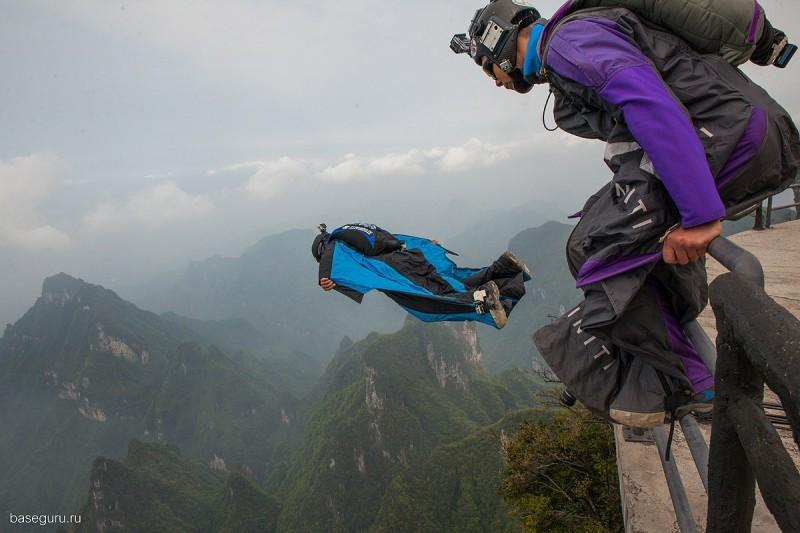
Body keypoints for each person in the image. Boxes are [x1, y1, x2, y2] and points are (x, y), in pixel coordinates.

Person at [451, 0, 800, 425]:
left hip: (731, 135)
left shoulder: (569, 42)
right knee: (598, 231)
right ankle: (685, 371)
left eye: (489, 68)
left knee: (595, 245)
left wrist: (699, 215)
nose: (495, 81)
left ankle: (686, 381)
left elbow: (649, 104)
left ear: (500, 42)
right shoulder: (569, 57)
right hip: (740, 130)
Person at [311, 223, 532, 329]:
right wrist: (426, 245)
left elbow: (329, 264)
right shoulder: (357, 232)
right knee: (455, 281)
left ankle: (483, 299)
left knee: (427, 305)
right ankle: (505, 268)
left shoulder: (334, 246)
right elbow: (396, 238)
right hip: (410, 256)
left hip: (399, 270)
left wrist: (325, 278)